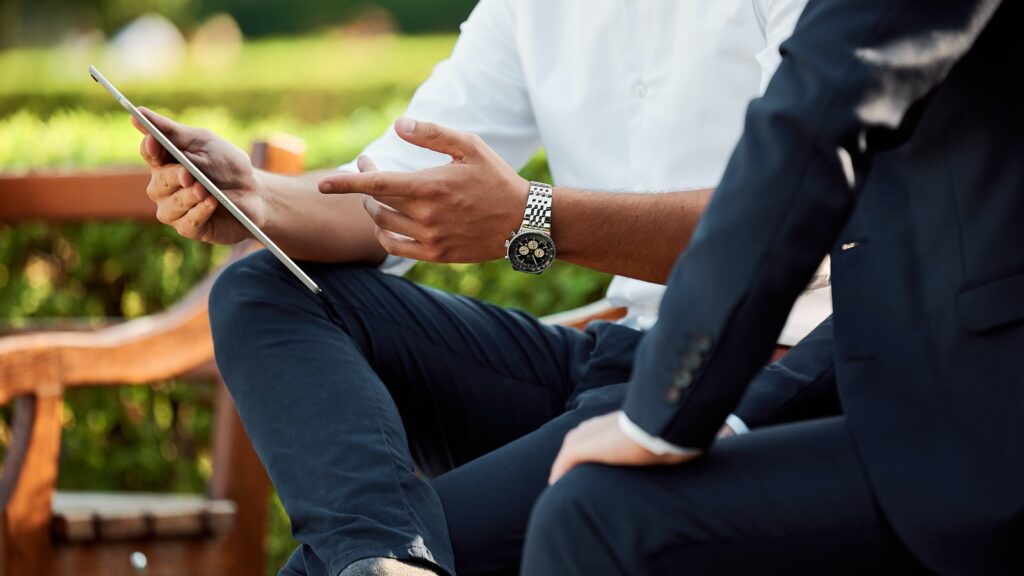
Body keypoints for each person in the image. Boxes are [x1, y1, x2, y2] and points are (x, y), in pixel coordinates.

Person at [136, 1, 825, 574]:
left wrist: (533, 218)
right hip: (612, 354)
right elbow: (392, 187)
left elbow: (789, 218)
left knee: (327, 567)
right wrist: (255, 198)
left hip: (751, 375)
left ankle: (381, 558)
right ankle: (384, 556)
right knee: (261, 291)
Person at [517, 0, 1023, 574]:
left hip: (977, 426)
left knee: (594, 516)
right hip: (886, 392)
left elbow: (810, 128)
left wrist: (662, 413)